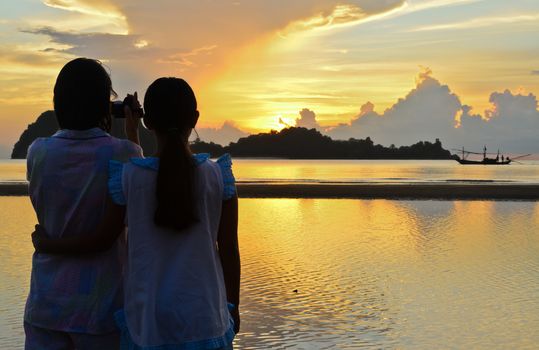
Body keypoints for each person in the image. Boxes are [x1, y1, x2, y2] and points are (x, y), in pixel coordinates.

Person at [33, 77, 241, 349]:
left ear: (148, 121)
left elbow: (102, 239)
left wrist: (49, 244)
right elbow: (229, 250)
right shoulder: (218, 176)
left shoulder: (128, 178)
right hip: (205, 318)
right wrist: (233, 306)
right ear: (195, 118)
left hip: (147, 323)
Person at [25, 58, 143, 349]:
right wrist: (132, 131)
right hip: (100, 311)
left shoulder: (37, 152)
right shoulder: (125, 154)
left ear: (58, 102)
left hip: (45, 305)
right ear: (104, 104)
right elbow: (135, 196)